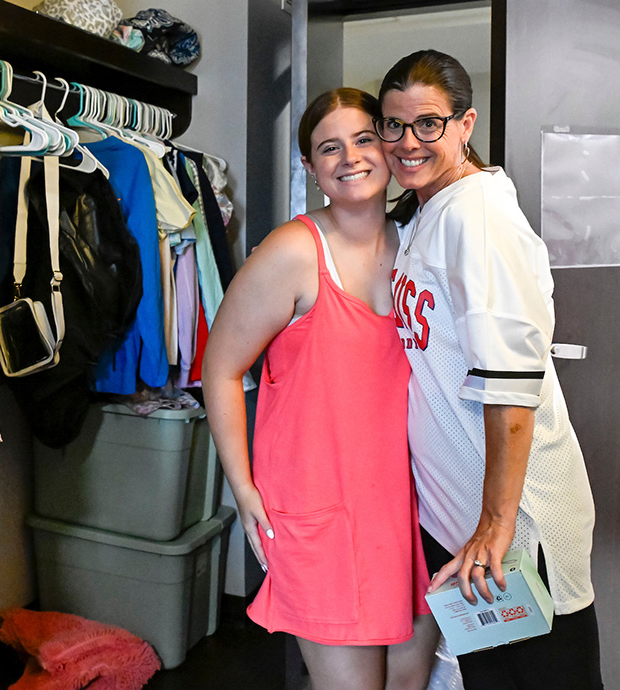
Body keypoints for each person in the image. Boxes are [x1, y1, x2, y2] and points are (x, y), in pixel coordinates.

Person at [378, 50, 603, 689]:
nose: (406, 143)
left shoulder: (479, 216)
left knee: (545, 678)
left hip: (514, 522)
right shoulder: (430, 211)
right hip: (465, 518)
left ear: (465, 123)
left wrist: (496, 524)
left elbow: (512, 383)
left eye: (428, 124)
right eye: (392, 125)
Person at [204, 88, 438, 690]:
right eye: (328, 148)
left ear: (389, 147)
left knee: (410, 683)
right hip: (323, 512)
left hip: (412, 508)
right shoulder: (293, 252)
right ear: (310, 168)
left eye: (364, 139)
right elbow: (221, 368)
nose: (350, 157)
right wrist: (242, 487)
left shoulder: (418, 245)